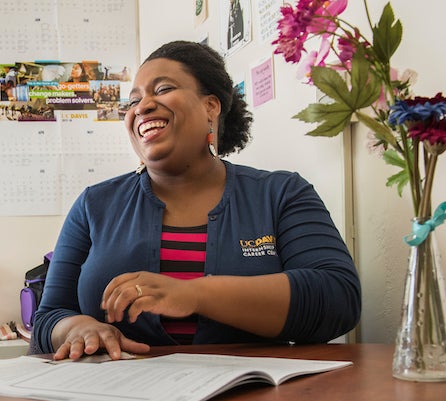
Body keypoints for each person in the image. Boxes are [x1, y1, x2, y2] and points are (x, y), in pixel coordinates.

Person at [31, 41, 361, 360]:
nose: (142, 106)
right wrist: (78, 328)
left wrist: (191, 294)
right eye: (133, 101)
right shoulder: (94, 205)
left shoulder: (281, 193)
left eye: (161, 90)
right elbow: (48, 319)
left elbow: (338, 298)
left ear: (210, 107)